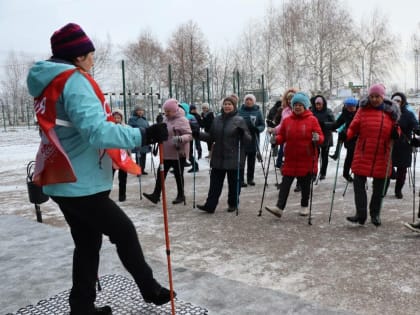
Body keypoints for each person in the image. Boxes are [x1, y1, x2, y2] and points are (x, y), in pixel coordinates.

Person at [26, 23, 173, 315]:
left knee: (87, 243)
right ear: (78, 57)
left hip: (62, 177)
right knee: (123, 231)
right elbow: (95, 132)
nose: (93, 60)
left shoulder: (47, 81)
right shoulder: (74, 80)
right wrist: (142, 135)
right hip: (80, 182)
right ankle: (150, 288)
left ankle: (81, 307)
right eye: (90, 54)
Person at [345, 84, 400, 226]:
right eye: (372, 96)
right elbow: (353, 126)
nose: (374, 99)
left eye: (377, 97)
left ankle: (375, 214)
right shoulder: (362, 110)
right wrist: (346, 135)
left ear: (383, 97)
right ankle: (360, 214)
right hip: (363, 153)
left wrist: (396, 133)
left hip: (382, 155)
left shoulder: (391, 113)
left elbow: (397, 129)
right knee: (358, 185)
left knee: (379, 188)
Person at [265, 92, 324, 218]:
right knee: (285, 184)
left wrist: (317, 137)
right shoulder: (287, 120)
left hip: (306, 158)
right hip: (291, 157)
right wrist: (276, 140)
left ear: (305, 106)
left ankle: (304, 206)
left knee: (305, 185)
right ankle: (279, 208)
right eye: (295, 105)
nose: (297, 107)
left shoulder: (312, 120)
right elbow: (283, 136)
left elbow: (321, 138)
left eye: (300, 105)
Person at [196, 96, 251, 213]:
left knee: (233, 184)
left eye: (229, 104)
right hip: (218, 157)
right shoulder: (217, 120)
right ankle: (210, 205)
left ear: (234, 106)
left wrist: (243, 134)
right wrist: (198, 134)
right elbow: (211, 137)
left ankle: (233, 204)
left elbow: (248, 139)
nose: (227, 106)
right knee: (215, 184)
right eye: (225, 104)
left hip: (234, 157)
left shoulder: (239, 120)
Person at [143, 99, 192, 205]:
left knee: (178, 175)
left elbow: (189, 135)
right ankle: (156, 195)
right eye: (165, 110)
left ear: (174, 110)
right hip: (165, 152)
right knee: (161, 173)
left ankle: (181, 195)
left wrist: (179, 138)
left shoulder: (182, 120)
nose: (166, 113)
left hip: (178, 153)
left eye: (168, 111)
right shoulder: (165, 119)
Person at [390, 92, 418, 198]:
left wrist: (417, 130)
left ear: (403, 102)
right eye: (394, 100)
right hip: (390, 144)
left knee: (402, 169)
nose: (396, 103)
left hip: (404, 145)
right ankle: (384, 186)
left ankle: (398, 190)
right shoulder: (388, 112)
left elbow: (415, 125)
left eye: (398, 101)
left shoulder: (408, 114)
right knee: (388, 167)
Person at [238, 94, 265, 186]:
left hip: (253, 139)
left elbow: (262, 125)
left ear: (254, 101)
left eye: (250, 100)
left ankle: (250, 179)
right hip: (242, 139)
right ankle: (240, 180)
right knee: (241, 161)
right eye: (247, 100)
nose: (248, 101)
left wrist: (257, 129)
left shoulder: (258, 112)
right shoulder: (239, 111)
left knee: (251, 161)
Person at [330, 97, 359, 182]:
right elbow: (338, 123)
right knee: (350, 156)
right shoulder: (345, 114)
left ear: (356, 106)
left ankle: (358, 175)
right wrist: (330, 127)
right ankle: (346, 173)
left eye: (352, 107)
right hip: (349, 138)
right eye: (348, 107)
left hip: (359, 138)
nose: (350, 109)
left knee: (358, 158)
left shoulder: (359, 113)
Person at [310, 95, 335, 180]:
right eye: (317, 104)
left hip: (326, 136)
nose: (318, 106)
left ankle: (323, 173)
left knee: (324, 156)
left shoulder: (328, 112)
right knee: (315, 156)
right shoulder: (312, 111)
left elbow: (334, 123)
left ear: (323, 104)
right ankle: (313, 172)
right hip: (315, 136)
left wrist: (324, 124)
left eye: (320, 104)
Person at [128, 105, 150, 175]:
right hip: (138, 139)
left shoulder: (144, 119)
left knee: (144, 155)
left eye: (141, 110)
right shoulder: (132, 119)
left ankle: (142, 169)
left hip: (145, 139)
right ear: (136, 111)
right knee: (139, 155)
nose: (140, 112)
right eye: (139, 110)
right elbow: (130, 129)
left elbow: (148, 127)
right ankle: (138, 170)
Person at [112, 109, 128, 201]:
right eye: (115, 118)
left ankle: (122, 195)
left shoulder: (125, 127)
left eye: (118, 118)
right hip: (112, 156)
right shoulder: (109, 127)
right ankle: (106, 194)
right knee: (109, 176)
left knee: (123, 177)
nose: (116, 119)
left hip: (123, 155)